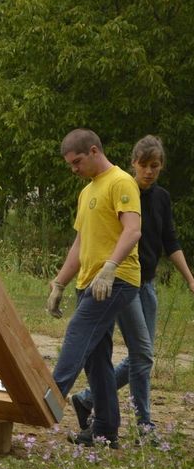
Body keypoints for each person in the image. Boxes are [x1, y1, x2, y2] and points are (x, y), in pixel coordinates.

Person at [69, 135, 194, 433]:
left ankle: (88, 398)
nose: (149, 171)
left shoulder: (161, 198)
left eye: (155, 166)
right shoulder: (123, 188)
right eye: (144, 165)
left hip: (147, 283)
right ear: (133, 163)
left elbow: (170, 241)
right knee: (142, 355)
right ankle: (144, 423)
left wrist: (189, 277)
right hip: (123, 281)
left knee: (143, 356)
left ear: (161, 166)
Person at [45, 128, 144, 449]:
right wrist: (60, 282)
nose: (74, 169)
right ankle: (104, 431)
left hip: (116, 280)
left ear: (93, 151)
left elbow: (132, 231)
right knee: (97, 359)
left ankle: (49, 399)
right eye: (70, 164)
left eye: (76, 162)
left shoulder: (121, 182)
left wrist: (110, 268)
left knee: (78, 332)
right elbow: (80, 242)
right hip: (89, 283)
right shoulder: (87, 192)